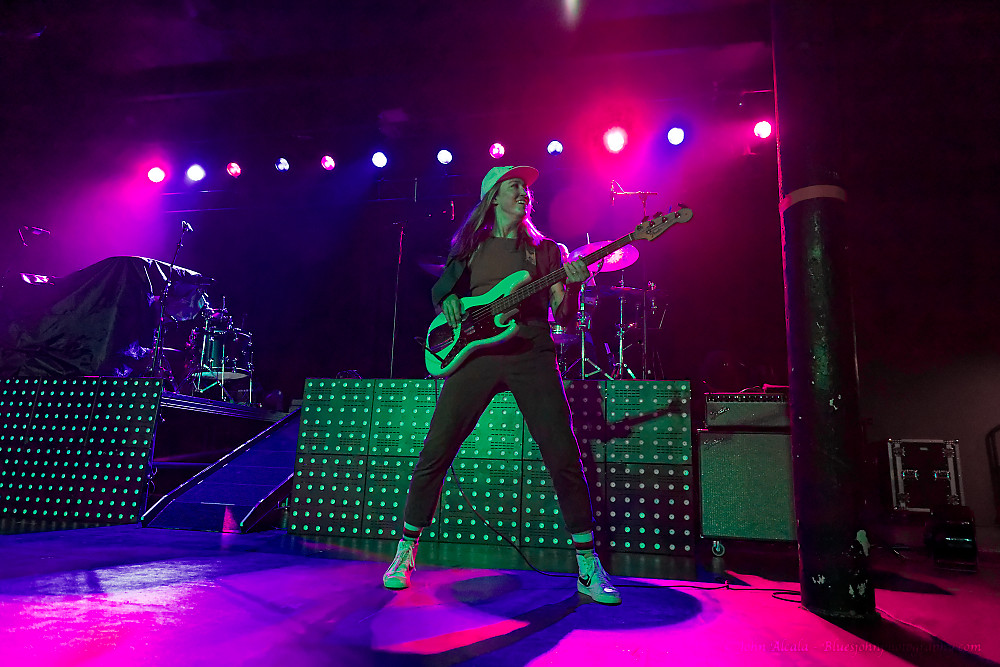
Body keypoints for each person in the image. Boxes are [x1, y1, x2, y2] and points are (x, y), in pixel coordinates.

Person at [382, 165, 621, 605]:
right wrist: (450, 300)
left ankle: (588, 567)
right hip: (478, 356)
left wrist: (572, 287)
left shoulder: (549, 251)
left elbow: (564, 317)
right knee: (436, 449)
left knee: (564, 457)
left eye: (527, 188)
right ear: (493, 196)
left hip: (532, 352)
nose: (525, 192)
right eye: (515, 186)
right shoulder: (470, 246)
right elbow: (442, 292)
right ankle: (405, 552)